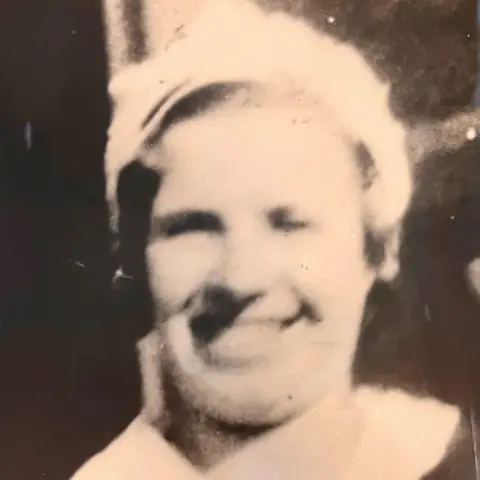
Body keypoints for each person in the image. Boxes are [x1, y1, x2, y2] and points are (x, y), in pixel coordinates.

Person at [73, 1, 461, 478]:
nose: (241, 276)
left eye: (289, 223)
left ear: (377, 246)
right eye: (194, 226)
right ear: (133, 260)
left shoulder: (448, 459)